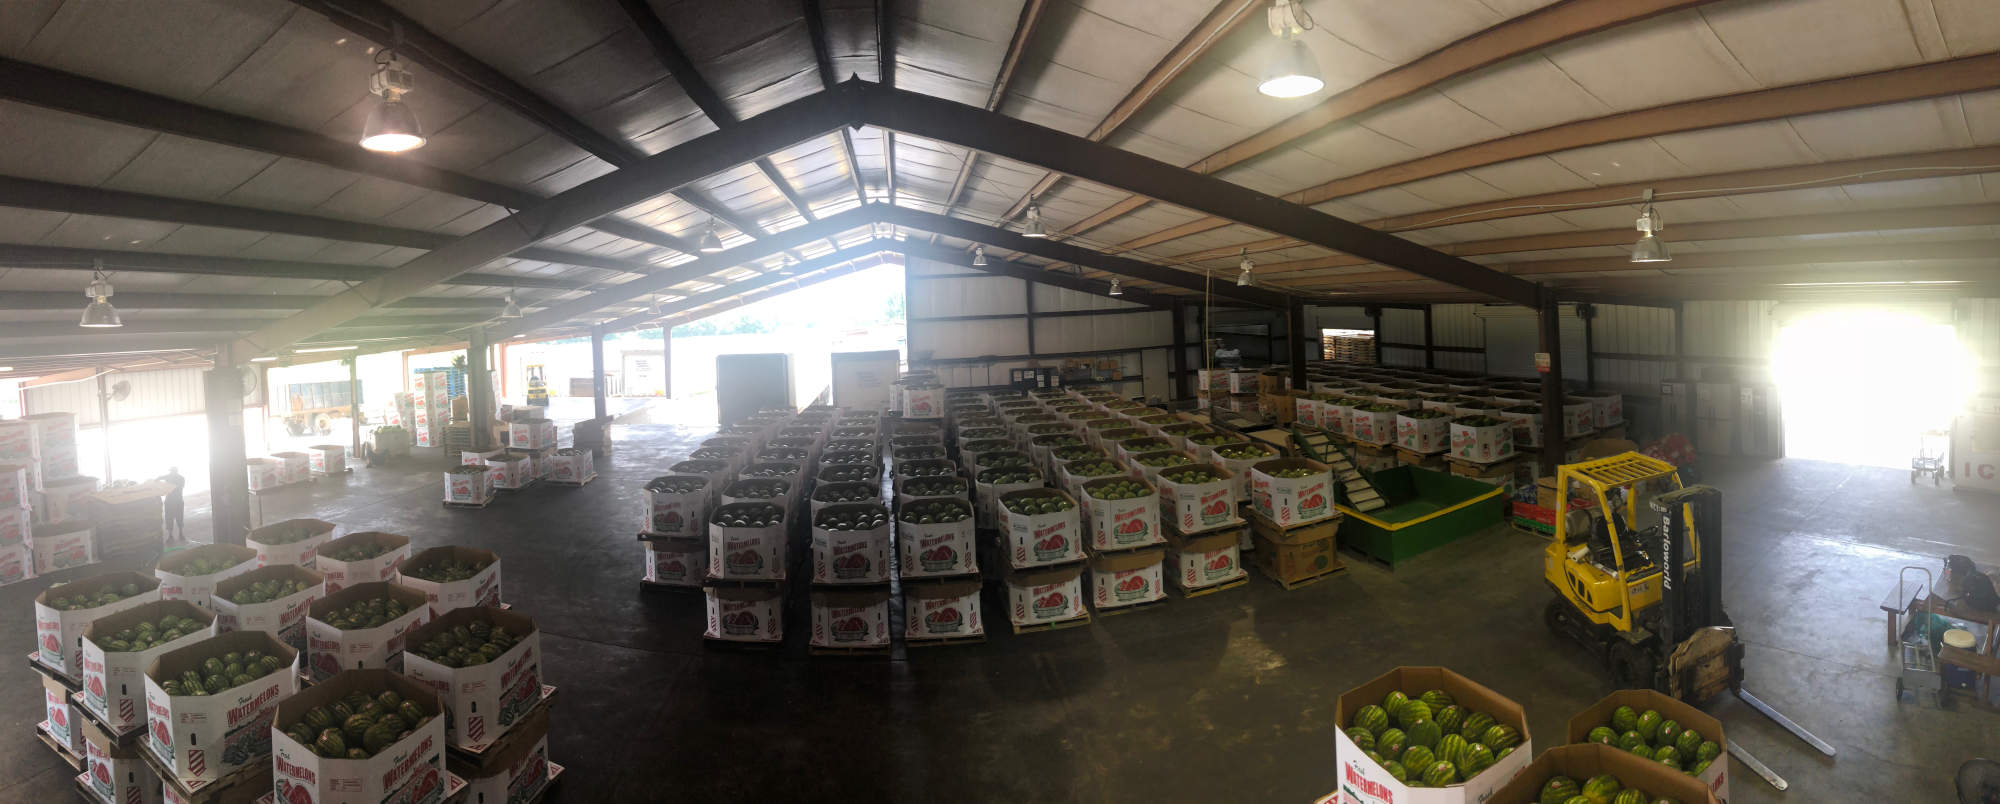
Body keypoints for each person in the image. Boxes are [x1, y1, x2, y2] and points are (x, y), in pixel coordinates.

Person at [161, 467, 185, 545]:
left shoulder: (181, 478)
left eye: (171, 471)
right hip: (172, 501)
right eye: (170, 472)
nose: (170, 473)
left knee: (178, 517)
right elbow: (160, 477)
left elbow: (179, 487)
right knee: (170, 518)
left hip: (176, 501)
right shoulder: (170, 478)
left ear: (175, 471)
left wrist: (168, 487)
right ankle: (172, 535)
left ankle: (180, 534)